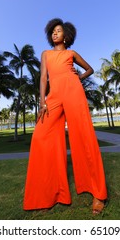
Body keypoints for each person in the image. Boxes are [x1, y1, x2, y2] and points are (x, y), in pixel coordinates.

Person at [23, 18, 108, 215]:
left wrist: (77, 77)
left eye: (58, 30)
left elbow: (90, 69)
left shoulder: (71, 53)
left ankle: (98, 194)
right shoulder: (45, 54)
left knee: (84, 137)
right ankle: (50, 192)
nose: (55, 33)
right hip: (53, 97)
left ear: (66, 36)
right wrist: (42, 102)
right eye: (53, 31)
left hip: (73, 91)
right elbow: (43, 78)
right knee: (41, 136)